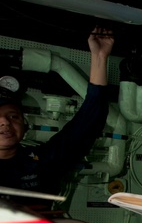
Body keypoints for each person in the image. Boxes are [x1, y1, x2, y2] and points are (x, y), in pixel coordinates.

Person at [0, 27, 114, 204]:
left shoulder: (41, 162)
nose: (5, 122)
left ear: (24, 124)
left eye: (13, 116)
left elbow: (90, 120)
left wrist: (100, 57)